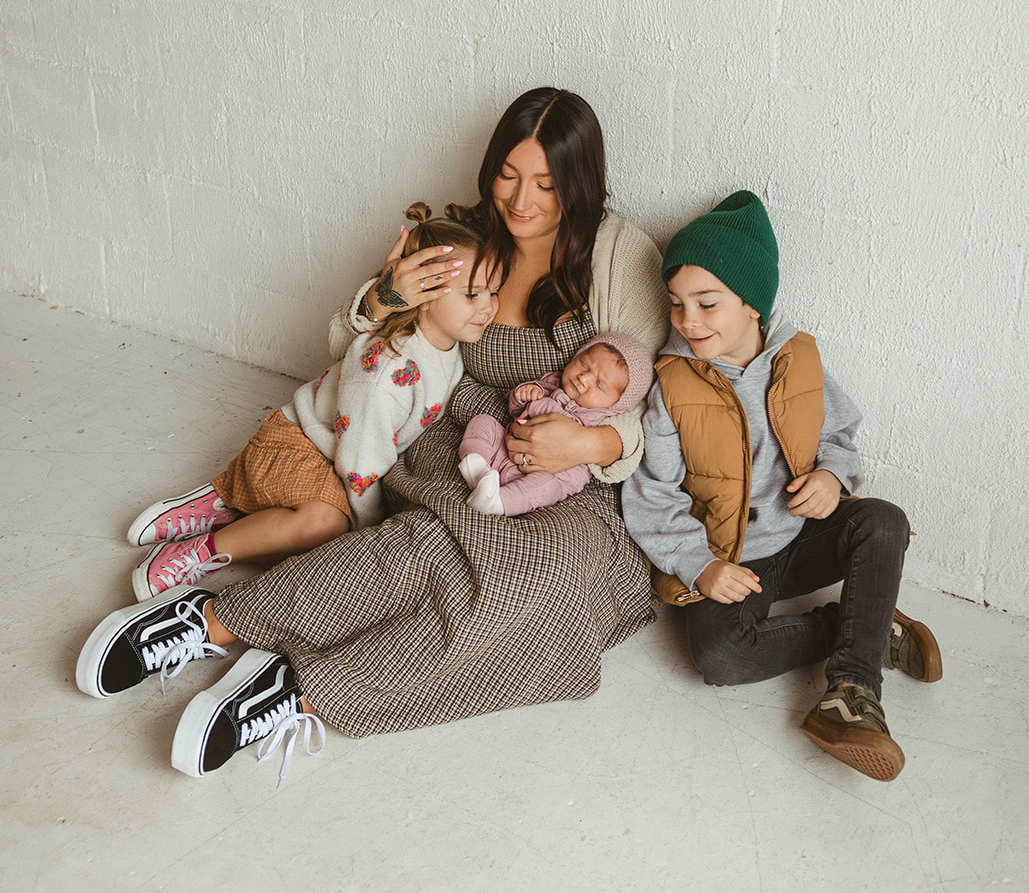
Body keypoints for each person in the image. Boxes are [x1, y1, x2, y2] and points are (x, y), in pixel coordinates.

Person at [76, 88, 671, 785]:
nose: (521, 200)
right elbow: (354, 348)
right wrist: (383, 297)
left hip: (576, 473)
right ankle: (208, 623)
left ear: (581, 182)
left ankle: (295, 687)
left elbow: (644, 396)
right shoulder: (464, 240)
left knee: (548, 585)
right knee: (442, 544)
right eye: (508, 174)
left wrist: (590, 446)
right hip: (465, 432)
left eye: (545, 182)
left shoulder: (617, 255)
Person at [621, 190, 942, 782]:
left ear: (752, 304)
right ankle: (865, 628)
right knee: (717, 657)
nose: (688, 321)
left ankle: (852, 693)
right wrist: (699, 566)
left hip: (803, 534)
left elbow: (839, 435)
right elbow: (652, 494)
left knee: (884, 521)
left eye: (707, 303)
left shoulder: (800, 360)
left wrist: (830, 475)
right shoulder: (671, 386)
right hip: (736, 557)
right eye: (676, 304)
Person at [121, 208, 497, 601]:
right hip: (300, 444)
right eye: (472, 295)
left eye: (494, 291)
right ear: (422, 297)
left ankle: (238, 505)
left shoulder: (451, 342)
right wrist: (365, 529)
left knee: (315, 540)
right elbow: (360, 465)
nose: (488, 308)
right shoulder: (388, 374)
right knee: (326, 528)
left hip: (339, 453)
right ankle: (208, 537)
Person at [459, 331, 654, 515]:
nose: (584, 378)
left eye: (600, 385)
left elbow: (558, 424)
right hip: (505, 450)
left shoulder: (603, 419)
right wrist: (522, 395)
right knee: (483, 422)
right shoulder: (553, 382)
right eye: (584, 365)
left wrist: (538, 405)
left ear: (616, 404)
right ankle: (478, 468)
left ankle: (496, 503)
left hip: (548, 474)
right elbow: (516, 412)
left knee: (544, 488)